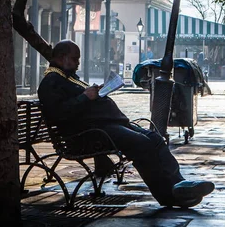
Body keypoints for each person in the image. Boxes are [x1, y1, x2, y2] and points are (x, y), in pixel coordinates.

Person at [38, 40, 215, 208]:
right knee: (142, 144)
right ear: (62, 57)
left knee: (154, 138)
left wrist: (93, 94)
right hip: (93, 132)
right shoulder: (51, 81)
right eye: (75, 58)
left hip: (108, 126)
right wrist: (85, 97)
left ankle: (179, 183)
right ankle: (167, 195)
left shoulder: (65, 77)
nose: (78, 63)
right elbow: (59, 113)